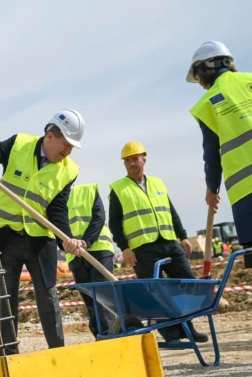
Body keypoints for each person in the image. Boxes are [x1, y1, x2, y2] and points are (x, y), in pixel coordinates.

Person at [0, 109, 87, 352]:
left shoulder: (69, 170)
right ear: (50, 135)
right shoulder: (18, 144)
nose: (68, 151)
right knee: (7, 297)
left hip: (39, 241)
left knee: (48, 297)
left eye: (72, 147)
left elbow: (57, 211)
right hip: (5, 237)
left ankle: (58, 351)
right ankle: (8, 353)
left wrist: (66, 239)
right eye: (66, 144)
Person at [109, 140, 208, 343]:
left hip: (169, 242)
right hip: (143, 249)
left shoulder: (158, 183)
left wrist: (182, 236)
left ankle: (189, 328)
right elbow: (115, 223)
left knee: (185, 284)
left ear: (144, 158)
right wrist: (125, 248)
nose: (132, 164)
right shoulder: (118, 189)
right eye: (127, 161)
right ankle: (171, 333)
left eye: (135, 159)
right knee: (155, 293)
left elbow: (171, 212)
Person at [187, 41, 252, 268]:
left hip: (247, 190)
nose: (201, 85)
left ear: (206, 68)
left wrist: (212, 189)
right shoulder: (249, 80)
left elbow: (212, 153)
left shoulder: (207, 103)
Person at [64, 183, 119, 337]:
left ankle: (110, 336)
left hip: (99, 250)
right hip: (75, 255)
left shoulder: (88, 190)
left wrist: (86, 241)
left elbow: (99, 217)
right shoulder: (54, 199)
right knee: (90, 302)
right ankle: (100, 336)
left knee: (104, 298)